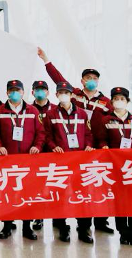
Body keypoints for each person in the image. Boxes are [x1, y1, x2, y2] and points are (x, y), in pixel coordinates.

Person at [38, 47, 114, 235]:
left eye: (94, 78)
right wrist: (46, 60)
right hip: (74, 147)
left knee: (95, 184)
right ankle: (60, 221)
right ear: (82, 81)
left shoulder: (106, 102)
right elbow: (58, 79)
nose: (91, 81)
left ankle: (100, 221)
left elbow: (114, 122)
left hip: (96, 147)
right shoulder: (75, 95)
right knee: (65, 183)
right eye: (88, 78)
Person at [0, 80, 44, 241]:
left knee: (27, 195)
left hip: (28, 161)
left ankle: (27, 228)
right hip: (7, 161)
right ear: (7, 93)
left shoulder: (33, 111)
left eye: (17, 90)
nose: (15, 93)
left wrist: (37, 146)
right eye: (11, 90)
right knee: (7, 194)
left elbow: (41, 133)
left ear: (23, 92)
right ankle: (7, 226)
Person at [95, 87, 132, 246]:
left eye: (122, 99)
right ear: (112, 102)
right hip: (115, 166)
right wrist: (103, 146)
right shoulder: (106, 120)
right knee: (120, 200)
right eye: (116, 99)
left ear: (127, 101)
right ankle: (123, 233)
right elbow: (101, 139)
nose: (119, 101)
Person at [44, 81, 94, 244]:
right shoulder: (51, 114)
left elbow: (88, 134)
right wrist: (53, 146)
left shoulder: (82, 113)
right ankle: (62, 227)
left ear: (72, 95)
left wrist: (88, 145)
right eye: (61, 93)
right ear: (56, 95)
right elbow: (47, 136)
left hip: (80, 160)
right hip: (61, 161)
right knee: (60, 194)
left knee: (82, 194)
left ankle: (84, 228)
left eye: (66, 92)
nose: (63, 95)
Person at [30, 79, 57, 232]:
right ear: (32, 92)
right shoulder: (28, 109)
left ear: (48, 92)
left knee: (55, 184)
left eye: (43, 89)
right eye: (37, 89)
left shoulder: (55, 109)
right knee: (37, 186)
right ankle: (38, 217)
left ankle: (57, 218)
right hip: (36, 153)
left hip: (53, 152)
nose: (40, 92)